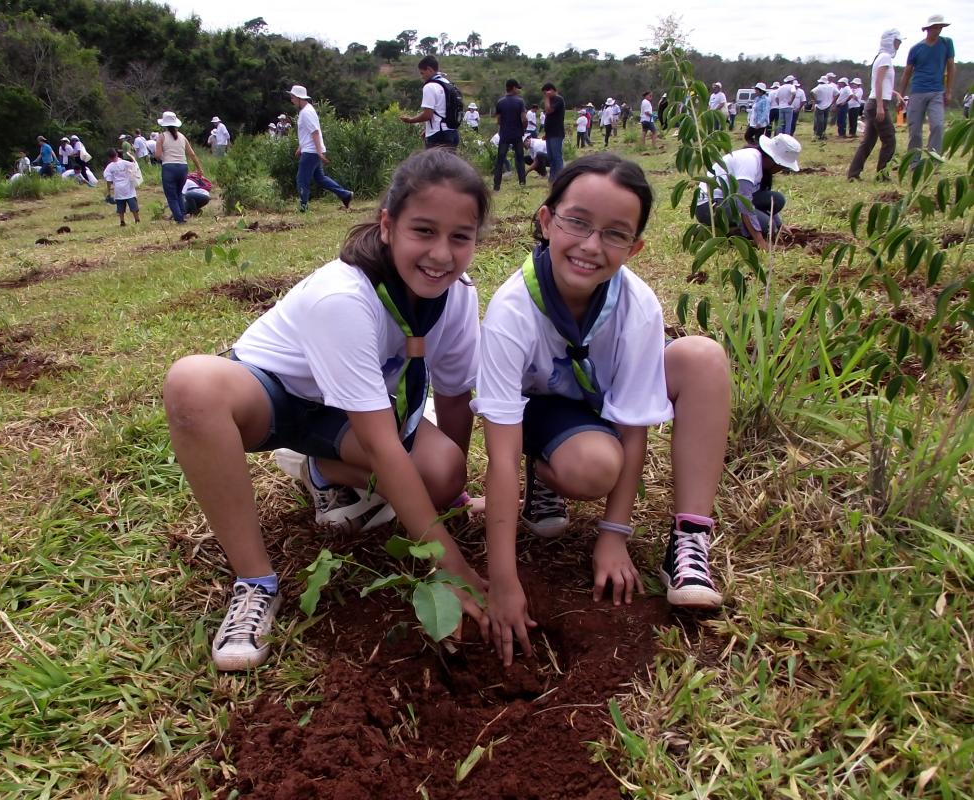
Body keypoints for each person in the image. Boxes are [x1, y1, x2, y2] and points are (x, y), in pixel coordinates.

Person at [163, 149, 492, 671]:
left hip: (349, 418)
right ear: (388, 226)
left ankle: (319, 471)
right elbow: (384, 448)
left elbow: (453, 400)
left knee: (442, 470)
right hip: (274, 399)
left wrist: (454, 500)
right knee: (192, 384)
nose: (441, 254)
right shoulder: (345, 296)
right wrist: (448, 565)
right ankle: (254, 583)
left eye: (460, 237)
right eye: (423, 231)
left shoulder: (457, 298)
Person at [474, 152, 731, 665]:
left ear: (634, 247)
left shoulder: (637, 306)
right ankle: (546, 480)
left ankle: (689, 541)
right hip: (540, 415)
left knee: (702, 357)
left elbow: (633, 427)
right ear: (546, 221)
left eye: (615, 234)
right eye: (577, 222)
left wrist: (614, 536)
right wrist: (502, 580)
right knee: (595, 467)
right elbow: (498, 457)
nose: (592, 246)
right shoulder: (511, 311)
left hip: (597, 409)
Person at [696, 133, 802, 248]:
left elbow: (753, 198)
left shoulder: (761, 164)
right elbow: (744, 203)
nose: (781, 170)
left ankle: (736, 229)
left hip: (731, 201)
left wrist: (780, 225)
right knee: (767, 226)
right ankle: (716, 233)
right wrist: (760, 241)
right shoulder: (749, 161)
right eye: (782, 166)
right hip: (710, 206)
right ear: (774, 161)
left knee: (777, 199)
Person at [848, 29, 905, 181]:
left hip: (873, 102)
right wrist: (880, 106)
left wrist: (895, 93)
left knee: (868, 142)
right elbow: (878, 82)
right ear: (891, 41)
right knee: (889, 140)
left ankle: (853, 174)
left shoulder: (881, 57)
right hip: (876, 104)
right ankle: (882, 175)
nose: (899, 44)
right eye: (898, 41)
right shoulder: (885, 57)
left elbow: (881, 83)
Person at [288, 84, 354, 213]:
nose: (291, 99)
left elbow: (315, 132)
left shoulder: (306, 113)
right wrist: (301, 147)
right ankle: (345, 195)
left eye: (292, 97)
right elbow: (308, 132)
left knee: (301, 179)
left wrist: (318, 152)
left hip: (311, 152)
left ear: (299, 98)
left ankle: (303, 207)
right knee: (320, 178)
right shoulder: (307, 110)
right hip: (310, 149)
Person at [898, 14, 955, 162]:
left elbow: (951, 67)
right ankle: (913, 163)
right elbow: (907, 73)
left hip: (937, 91)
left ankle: (934, 161)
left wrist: (949, 90)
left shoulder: (947, 43)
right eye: (936, 27)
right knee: (915, 130)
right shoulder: (916, 48)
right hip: (917, 91)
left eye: (940, 27)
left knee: (937, 126)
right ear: (928, 29)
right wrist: (900, 94)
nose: (938, 30)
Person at [155, 110, 204, 224]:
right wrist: (199, 168)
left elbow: (157, 155)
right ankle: (183, 214)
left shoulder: (162, 137)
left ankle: (179, 218)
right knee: (179, 193)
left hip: (169, 168)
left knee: (171, 196)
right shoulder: (182, 137)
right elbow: (192, 154)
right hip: (183, 167)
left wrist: (162, 158)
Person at [401, 55, 459, 149]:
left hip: (438, 137)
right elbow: (443, 112)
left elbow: (428, 115)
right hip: (452, 134)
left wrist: (410, 120)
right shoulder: (447, 83)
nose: (422, 77)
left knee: (432, 164)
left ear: (429, 69)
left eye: (422, 73)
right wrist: (428, 130)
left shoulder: (430, 86)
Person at [494, 78, 528, 191]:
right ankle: (522, 183)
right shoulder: (520, 102)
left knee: (500, 160)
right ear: (513, 88)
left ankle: (497, 186)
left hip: (504, 134)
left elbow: (498, 120)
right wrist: (524, 128)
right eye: (517, 88)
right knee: (519, 159)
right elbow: (524, 119)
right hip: (517, 134)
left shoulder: (500, 102)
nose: (518, 90)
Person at [103, 148, 141, 226]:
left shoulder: (109, 167)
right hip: (128, 188)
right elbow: (135, 164)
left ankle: (122, 221)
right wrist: (130, 155)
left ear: (109, 157)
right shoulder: (124, 163)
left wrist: (109, 192)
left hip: (118, 189)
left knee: (120, 207)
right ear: (116, 154)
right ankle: (137, 219)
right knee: (133, 205)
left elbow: (108, 180)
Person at [540, 82, 567, 182]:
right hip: (550, 133)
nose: (544, 96)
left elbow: (548, 111)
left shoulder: (558, 100)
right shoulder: (551, 100)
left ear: (550, 90)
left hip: (556, 133)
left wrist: (546, 99)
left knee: (556, 156)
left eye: (545, 93)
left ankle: (561, 178)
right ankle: (552, 178)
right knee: (551, 158)